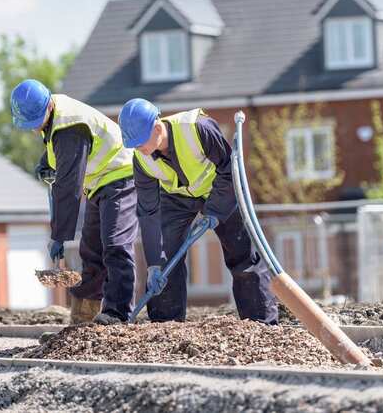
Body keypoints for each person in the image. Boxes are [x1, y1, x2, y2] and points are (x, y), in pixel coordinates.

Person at [118, 98, 278, 323]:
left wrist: (214, 210)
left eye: (140, 142)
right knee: (166, 261)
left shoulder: (197, 128)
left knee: (243, 256)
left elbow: (229, 169)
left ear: (156, 128)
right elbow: (148, 211)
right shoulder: (141, 160)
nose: (138, 149)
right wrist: (154, 262)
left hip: (220, 190)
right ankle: (166, 325)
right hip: (176, 199)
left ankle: (261, 322)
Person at [10, 80, 138, 324]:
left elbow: (68, 189)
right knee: (91, 250)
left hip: (121, 175)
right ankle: (83, 319)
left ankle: (118, 315)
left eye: (35, 122)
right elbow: (58, 148)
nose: (33, 129)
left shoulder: (70, 127)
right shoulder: (54, 114)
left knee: (115, 244)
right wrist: (47, 161)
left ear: (48, 106)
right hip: (99, 182)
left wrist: (58, 234)